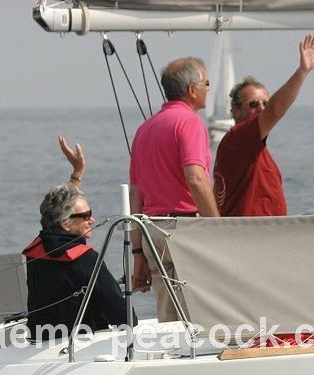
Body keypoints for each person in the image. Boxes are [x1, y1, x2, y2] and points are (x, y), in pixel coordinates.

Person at [128, 57, 219, 322]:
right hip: (182, 229)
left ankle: (168, 359)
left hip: (151, 231)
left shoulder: (144, 129)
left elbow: (136, 195)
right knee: (195, 315)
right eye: (206, 83)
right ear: (192, 89)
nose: (208, 89)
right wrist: (218, 227)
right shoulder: (189, 123)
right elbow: (196, 178)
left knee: (168, 316)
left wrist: (137, 252)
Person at [23, 141, 132, 340]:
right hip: (82, 349)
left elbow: (53, 210)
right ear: (65, 223)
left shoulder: (37, 251)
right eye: (86, 215)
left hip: (40, 341)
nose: (92, 219)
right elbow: (124, 317)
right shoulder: (85, 260)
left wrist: (77, 174)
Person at [214, 34, 314, 217]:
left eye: (266, 103)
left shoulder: (249, 147)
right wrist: (302, 72)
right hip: (252, 237)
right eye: (254, 104)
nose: (262, 109)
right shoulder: (238, 140)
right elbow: (275, 111)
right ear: (235, 110)